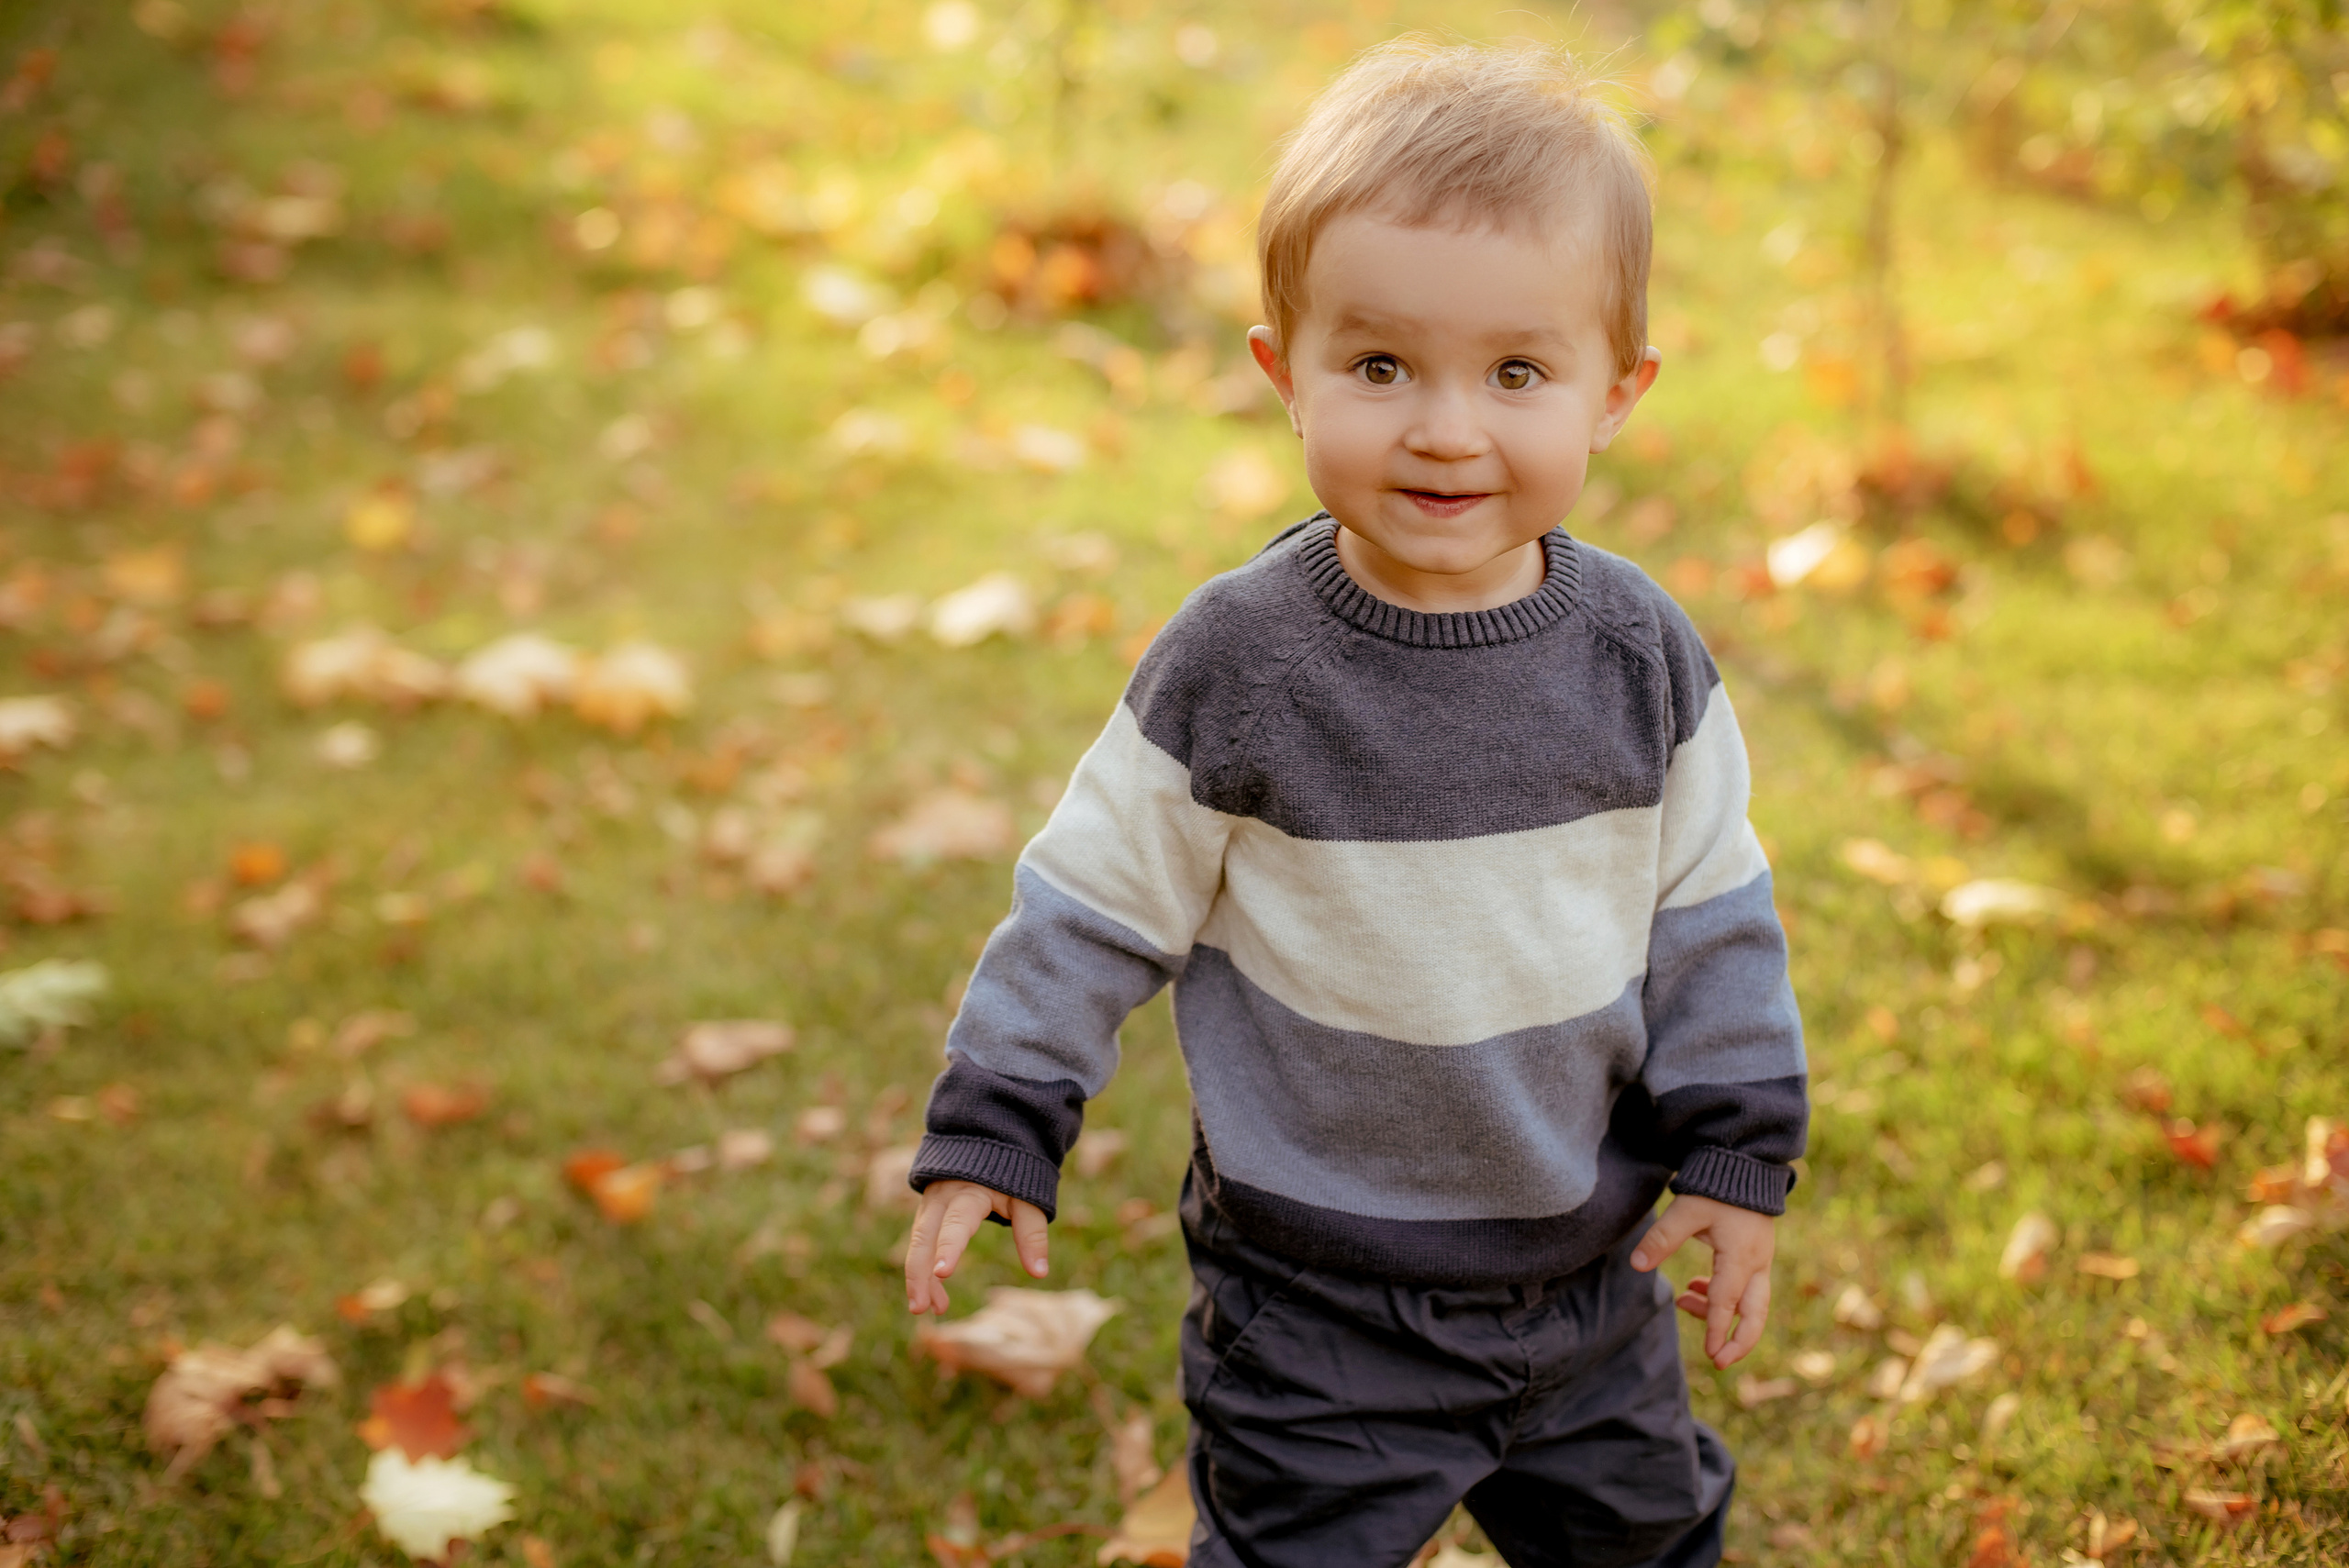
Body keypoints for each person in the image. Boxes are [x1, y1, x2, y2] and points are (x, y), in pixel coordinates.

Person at [900, 37, 1807, 1568]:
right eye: (1380, 366)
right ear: (1284, 371)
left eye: (1517, 373)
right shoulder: (1241, 661)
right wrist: (999, 1123)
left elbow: (1713, 916)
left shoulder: (1639, 654)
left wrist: (1736, 1151)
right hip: (1318, 1305)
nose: (1447, 427)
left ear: (1617, 393)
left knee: (1655, 1544)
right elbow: (1092, 901)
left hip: (1589, 1279)